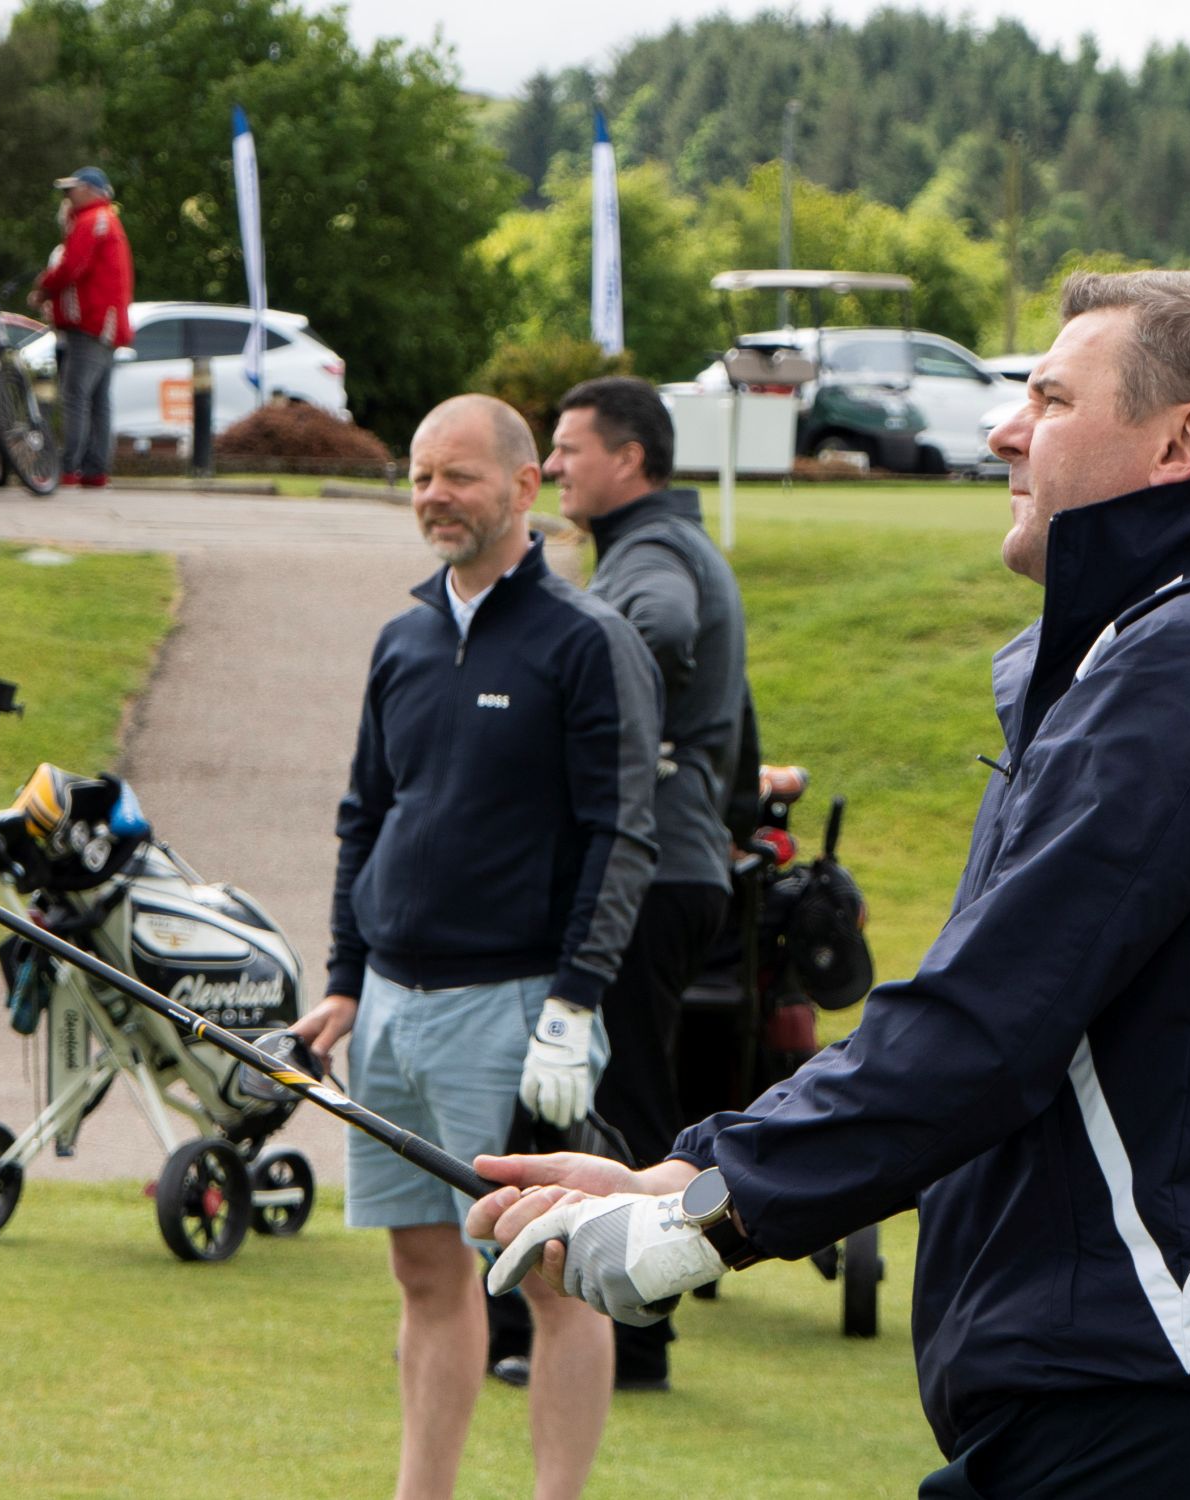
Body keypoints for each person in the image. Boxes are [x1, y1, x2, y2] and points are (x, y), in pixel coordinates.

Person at [467, 270, 1190, 1496]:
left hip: (1186, 1419)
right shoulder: (1167, 647)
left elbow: (990, 1019)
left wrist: (708, 1214)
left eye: (1048, 395)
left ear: (1179, 440)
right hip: (1126, 1412)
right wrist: (685, 1173)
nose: (1000, 428)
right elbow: (990, 1025)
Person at [290, 393, 663, 1500]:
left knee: (549, 1277)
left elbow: (619, 834)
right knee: (420, 1267)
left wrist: (574, 1001)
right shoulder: (401, 639)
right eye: (417, 477)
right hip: (393, 1009)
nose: (433, 498)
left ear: (521, 487)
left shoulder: (585, 640)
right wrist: (347, 981)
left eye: (456, 477)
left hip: (510, 1008)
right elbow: (368, 815)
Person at [485, 375, 756, 1396]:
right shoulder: (670, 544)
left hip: (648, 869)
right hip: (681, 863)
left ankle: (634, 1342)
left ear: (629, 460)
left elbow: (660, 631)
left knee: (626, 1100)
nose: (552, 468)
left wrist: (561, 692)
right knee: (622, 1093)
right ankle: (572, 1315)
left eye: (568, 449)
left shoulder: (650, 560)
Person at [32, 166, 132, 490]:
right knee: (99, 399)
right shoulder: (107, 221)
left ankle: (70, 467)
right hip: (106, 324)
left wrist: (44, 287)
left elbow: (71, 266)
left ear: (89, 190)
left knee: (75, 396)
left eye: (72, 190)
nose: (67, 197)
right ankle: (96, 469)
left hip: (89, 321)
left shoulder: (91, 222)